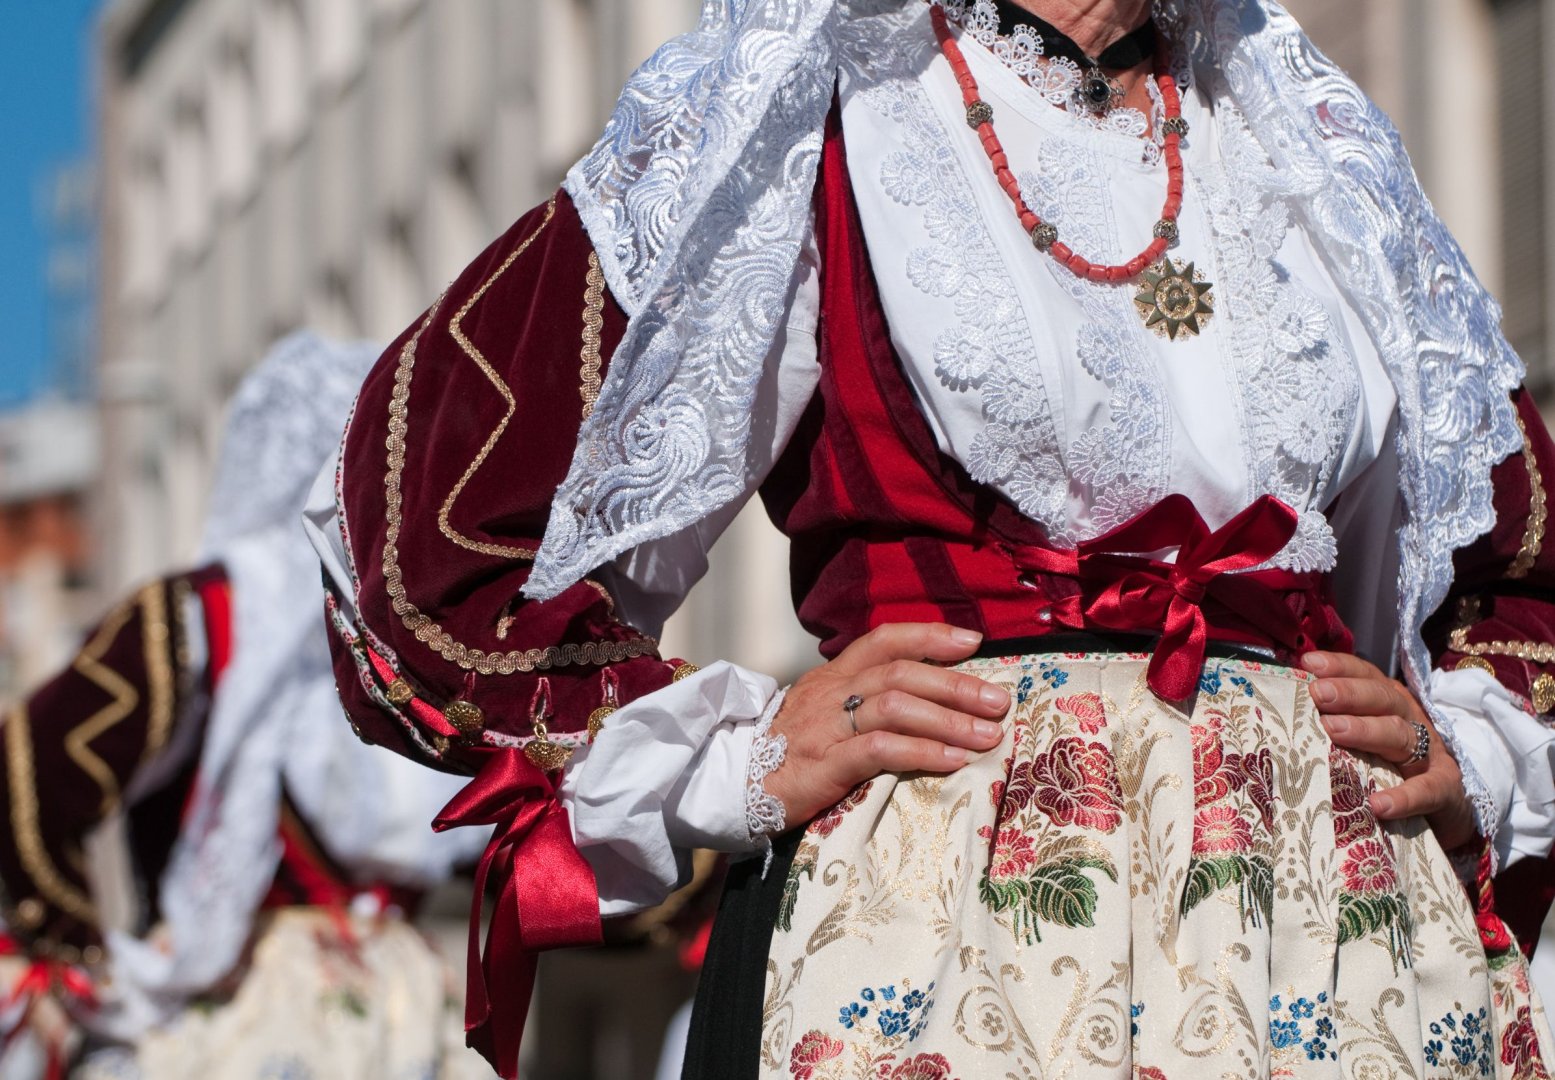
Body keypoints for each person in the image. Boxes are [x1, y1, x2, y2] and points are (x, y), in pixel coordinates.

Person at [307, 0, 1555, 1076]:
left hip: (1327, 907)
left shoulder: (1304, 131)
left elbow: (1516, 551)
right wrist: (734, 752)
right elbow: (431, 529)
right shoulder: (809, 91)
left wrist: (1475, 753)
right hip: (955, 901)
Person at [0, 333, 492, 1079]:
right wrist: (91, 959)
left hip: (411, 1018)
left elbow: (491, 827)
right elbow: (32, 776)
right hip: (237, 1010)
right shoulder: (210, 618)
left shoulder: (425, 641)